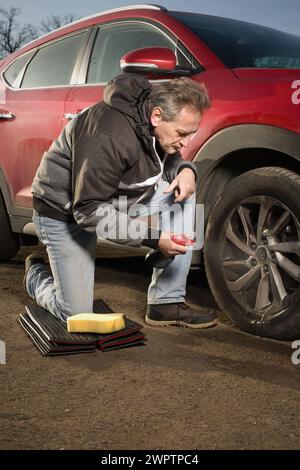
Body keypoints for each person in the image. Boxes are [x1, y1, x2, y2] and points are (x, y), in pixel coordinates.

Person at [24, 73, 218, 329]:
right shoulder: (106, 134)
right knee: (75, 313)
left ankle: (165, 303)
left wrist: (185, 169)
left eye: (191, 133)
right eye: (182, 133)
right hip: (67, 213)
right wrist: (153, 238)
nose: (186, 141)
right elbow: (89, 212)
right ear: (156, 116)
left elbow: (165, 155)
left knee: (183, 195)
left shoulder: (152, 123)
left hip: (117, 201)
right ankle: (35, 275)